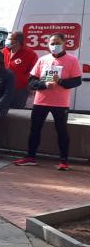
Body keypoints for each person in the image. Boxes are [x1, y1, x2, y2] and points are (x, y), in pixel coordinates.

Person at [13, 33, 82, 170]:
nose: (54, 46)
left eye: (57, 43)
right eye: (51, 43)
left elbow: (77, 81)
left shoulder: (72, 60)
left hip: (60, 103)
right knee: (34, 129)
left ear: (64, 43)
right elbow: (32, 81)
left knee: (61, 131)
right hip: (41, 101)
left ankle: (64, 161)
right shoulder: (43, 59)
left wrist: (60, 81)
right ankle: (30, 157)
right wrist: (44, 85)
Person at [3, 31, 38, 110]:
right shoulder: (4, 51)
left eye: (9, 39)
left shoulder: (30, 54)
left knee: (16, 114)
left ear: (17, 41)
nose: (6, 40)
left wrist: (33, 87)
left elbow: (35, 73)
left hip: (19, 90)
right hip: (3, 89)